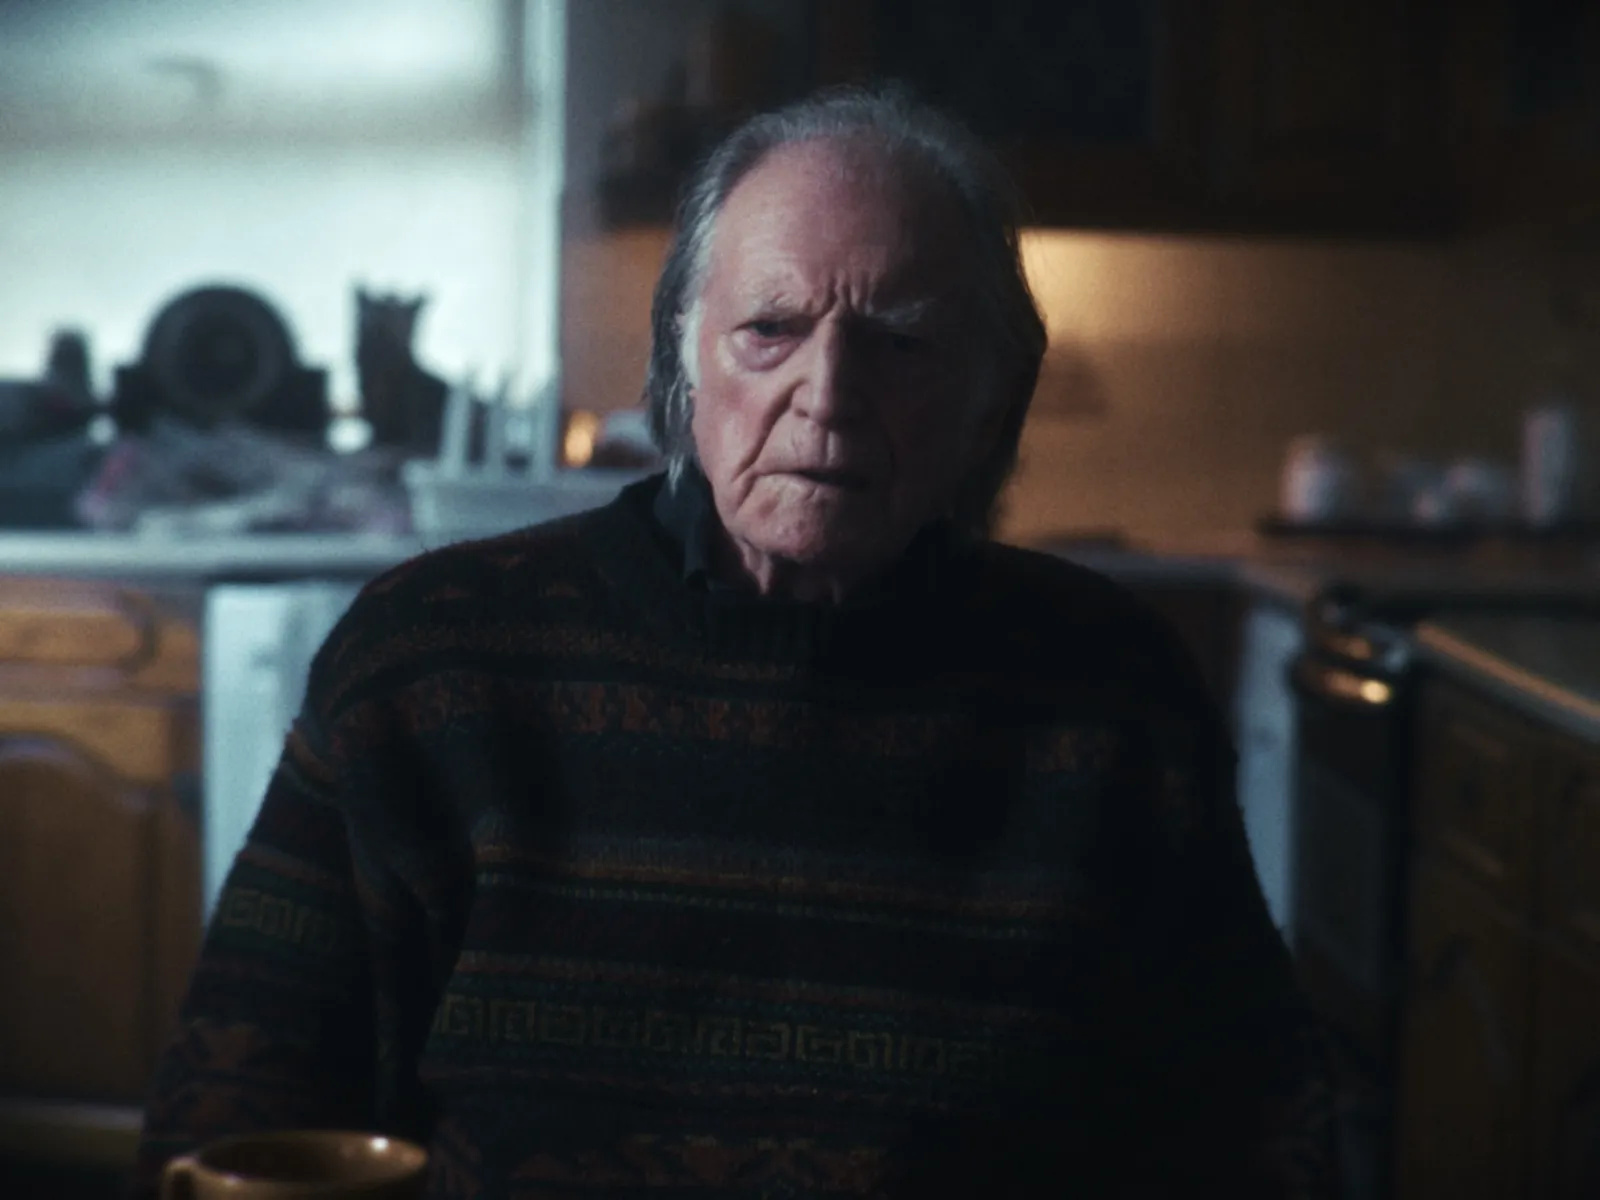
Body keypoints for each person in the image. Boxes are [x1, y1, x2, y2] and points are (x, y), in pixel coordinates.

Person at [134, 87, 1335, 1199]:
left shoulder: (1111, 693)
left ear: (990, 402)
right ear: (682, 367)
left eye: (899, 341)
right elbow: (230, 1112)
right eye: (770, 329)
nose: (828, 394)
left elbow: (1255, 1133)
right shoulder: (430, 663)